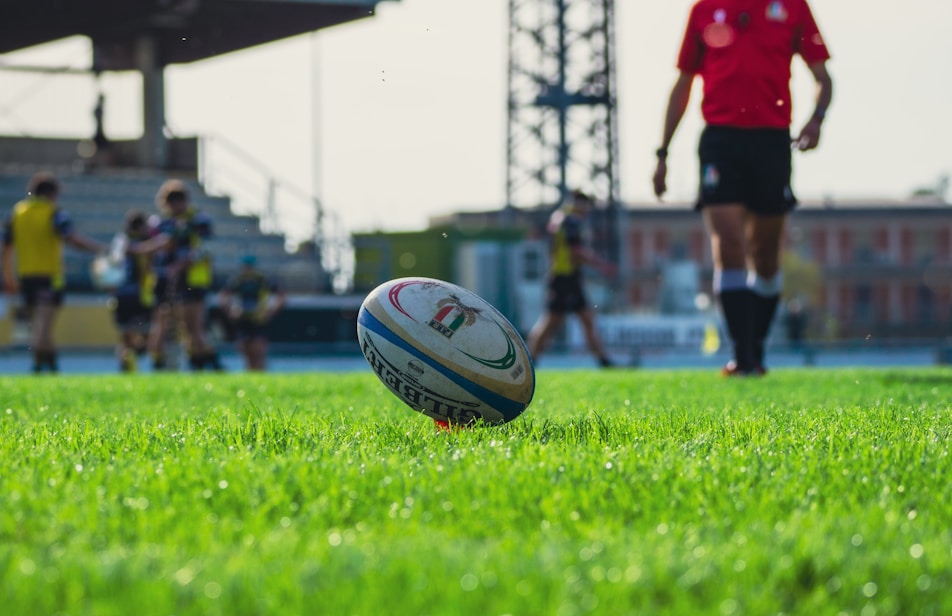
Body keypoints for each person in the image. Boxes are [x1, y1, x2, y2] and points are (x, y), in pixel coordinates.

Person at [652, 0, 833, 376]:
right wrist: (663, 152)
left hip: (771, 141)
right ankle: (742, 356)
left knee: (765, 255)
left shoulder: (793, 7)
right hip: (721, 142)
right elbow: (683, 84)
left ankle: (756, 348)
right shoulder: (704, 10)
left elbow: (823, 77)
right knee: (729, 243)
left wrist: (816, 119)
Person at [1, 172, 106, 373]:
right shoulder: (54, 213)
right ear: (51, 194)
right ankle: (38, 363)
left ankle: (51, 364)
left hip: (26, 276)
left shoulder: (16, 213)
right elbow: (72, 238)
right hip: (49, 276)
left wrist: (8, 277)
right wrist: (100, 249)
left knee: (39, 323)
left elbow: (5, 249)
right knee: (44, 324)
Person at [526, 189, 617, 368]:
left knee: (585, 318)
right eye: (587, 206)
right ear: (579, 204)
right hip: (564, 277)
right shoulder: (570, 221)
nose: (588, 211)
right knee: (552, 321)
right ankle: (530, 359)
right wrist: (602, 265)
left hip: (566, 276)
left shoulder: (559, 217)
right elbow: (576, 252)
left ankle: (604, 362)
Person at [147, 179, 223, 371]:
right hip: (169, 280)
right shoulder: (162, 224)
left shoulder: (199, 220)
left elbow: (206, 248)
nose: (176, 205)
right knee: (172, 325)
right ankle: (191, 363)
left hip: (194, 279)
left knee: (193, 325)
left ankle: (206, 364)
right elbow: (155, 251)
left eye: (179, 200)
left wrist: (181, 264)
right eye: (171, 201)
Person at [108, 209, 166, 372]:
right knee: (129, 334)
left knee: (139, 333)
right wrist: (157, 243)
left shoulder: (126, 240)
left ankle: (137, 358)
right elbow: (132, 252)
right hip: (129, 294)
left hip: (133, 294)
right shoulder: (125, 241)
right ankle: (129, 365)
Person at [217, 254, 286, 371]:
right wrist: (230, 310)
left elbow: (281, 296)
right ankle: (251, 374)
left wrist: (270, 311)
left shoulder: (262, 280)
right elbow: (224, 296)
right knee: (245, 350)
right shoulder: (237, 280)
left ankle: (261, 374)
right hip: (243, 319)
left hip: (258, 320)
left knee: (258, 350)